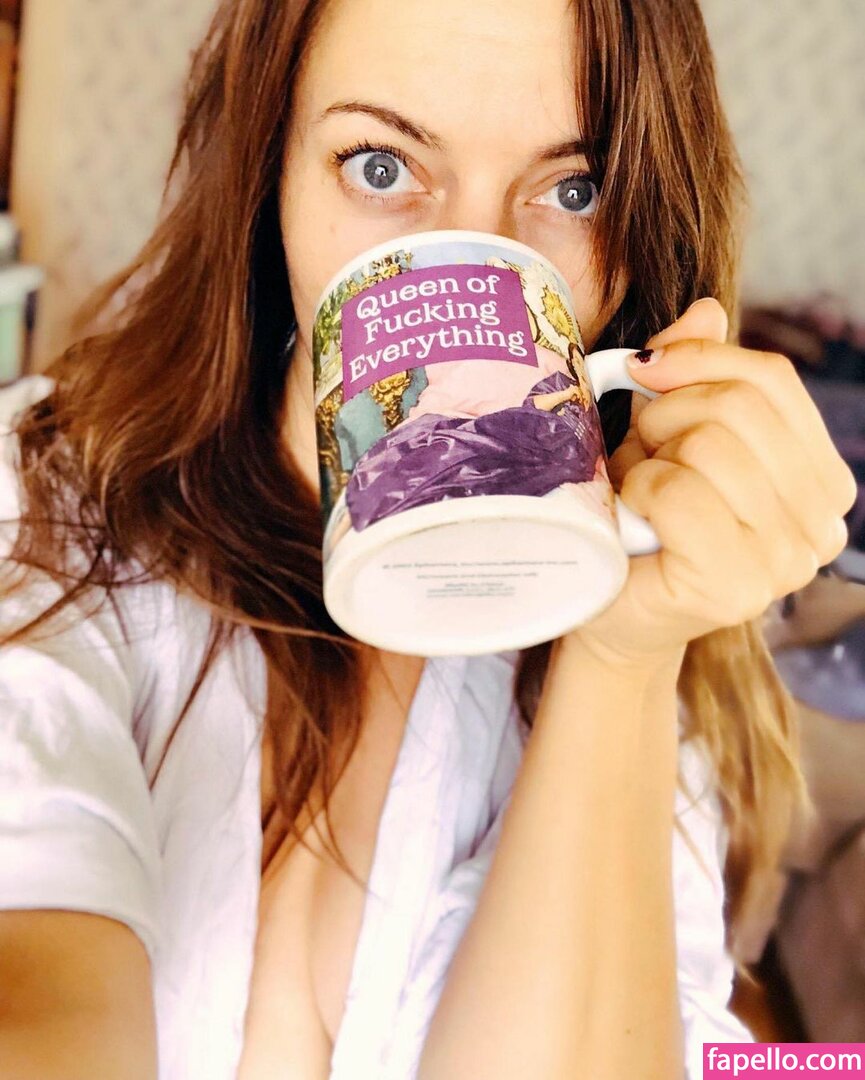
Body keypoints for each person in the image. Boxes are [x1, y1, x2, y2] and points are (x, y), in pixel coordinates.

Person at [0, 0, 855, 1078]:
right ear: (267, 177)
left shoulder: (647, 641)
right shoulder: (44, 515)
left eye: (574, 190)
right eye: (379, 166)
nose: (477, 267)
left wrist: (623, 655)